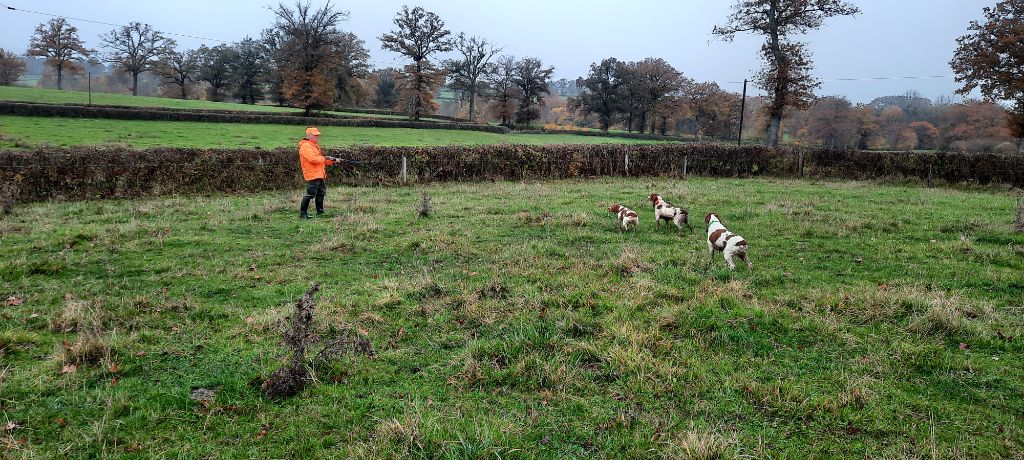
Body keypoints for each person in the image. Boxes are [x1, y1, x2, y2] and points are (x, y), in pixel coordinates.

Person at [298, 127, 340, 219]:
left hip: (319, 173)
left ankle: (320, 211)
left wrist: (332, 161)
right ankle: (303, 214)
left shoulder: (314, 146)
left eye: (317, 135)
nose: (317, 137)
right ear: (308, 136)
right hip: (312, 174)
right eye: (315, 135)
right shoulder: (306, 146)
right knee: (310, 193)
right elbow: (313, 159)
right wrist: (325, 158)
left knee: (321, 192)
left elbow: (320, 160)